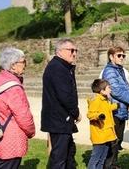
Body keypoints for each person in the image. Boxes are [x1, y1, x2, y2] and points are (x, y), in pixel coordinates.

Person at [0, 47, 35, 168]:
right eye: (23, 62)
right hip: (10, 142)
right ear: (13, 65)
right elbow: (23, 115)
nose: (25, 65)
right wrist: (31, 131)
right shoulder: (13, 87)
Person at [41, 38, 81, 169]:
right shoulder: (57, 68)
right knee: (59, 159)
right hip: (58, 121)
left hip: (61, 120)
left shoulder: (62, 67)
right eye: (71, 50)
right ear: (59, 51)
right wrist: (76, 113)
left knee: (68, 154)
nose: (74, 53)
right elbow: (65, 96)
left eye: (76, 50)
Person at [101, 46, 129, 167]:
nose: (122, 58)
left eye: (123, 55)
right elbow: (116, 90)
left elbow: (127, 86)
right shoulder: (110, 71)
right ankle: (109, 165)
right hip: (114, 110)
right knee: (113, 140)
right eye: (119, 55)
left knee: (118, 138)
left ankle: (113, 164)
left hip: (120, 109)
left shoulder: (119, 69)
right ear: (111, 57)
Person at [87, 79, 118, 169]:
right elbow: (90, 114)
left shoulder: (104, 99)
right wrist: (98, 116)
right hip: (99, 135)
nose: (110, 89)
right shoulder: (96, 100)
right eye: (109, 88)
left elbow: (106, 109)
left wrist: (115, 106)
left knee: (102, 158)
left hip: (107, 134)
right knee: (96, 158)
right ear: (102, 90)